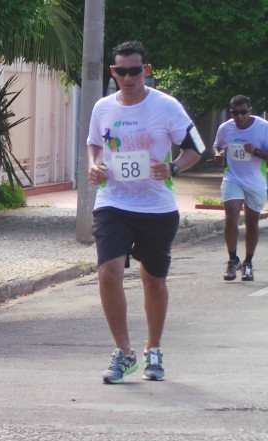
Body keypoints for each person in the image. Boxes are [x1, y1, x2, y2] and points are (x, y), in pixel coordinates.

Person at [86, 40, 204, 384]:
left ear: (146, 71)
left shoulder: (167, 107)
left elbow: (195, 147)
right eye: (121, 71)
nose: (128, 77)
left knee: (153, 279)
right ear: (113, 73)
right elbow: (94, 144)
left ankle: (154, 349)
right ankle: (124, 353)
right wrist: (94, 165)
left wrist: (174, 169)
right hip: (113, 202)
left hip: (156, 206)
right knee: (108, 272)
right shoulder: (102, 108)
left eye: (134, 71)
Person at [212, 95, 268, 282]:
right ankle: (232, 259)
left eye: (243, 112)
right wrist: (218, 155)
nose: (239, 117)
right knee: (231, 216)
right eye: (235, 113)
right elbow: (217, 146)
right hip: (233, 178)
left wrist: (257, 152)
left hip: (256, 181)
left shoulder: (262, 127)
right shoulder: (225, 128)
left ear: (250, 110)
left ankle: (248, 262)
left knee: (252, 223)